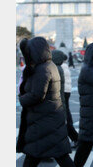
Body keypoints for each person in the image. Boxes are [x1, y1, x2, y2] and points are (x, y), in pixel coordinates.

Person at [16, 37, 75, 167]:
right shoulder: (49, 65)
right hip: (48, 119)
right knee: (57, 155)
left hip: (43, 121)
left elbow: (36, 95)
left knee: (36, 156)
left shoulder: (42, 69)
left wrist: (21, 98)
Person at [61, 54, 79, 148]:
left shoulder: (60, 67)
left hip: (63, 92)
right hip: (66, 91)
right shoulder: (64, 66)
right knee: (67, 114)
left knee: (65, 116)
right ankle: (75, 137)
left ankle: (75, 137)